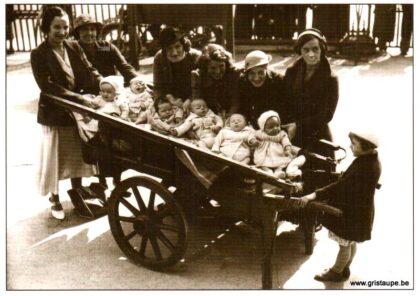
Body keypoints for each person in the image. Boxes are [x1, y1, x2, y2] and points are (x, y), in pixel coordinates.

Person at [31, 6, 102, 220]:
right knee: (56, 157)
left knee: (76, 155)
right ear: (47, 28)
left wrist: (103, 83)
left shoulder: (73, 46)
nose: (62, 32)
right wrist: (79, 99)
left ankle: (77, 192)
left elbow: (89, 69)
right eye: (57, 28)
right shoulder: (39, 54)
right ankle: (55, 197)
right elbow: (48, 86)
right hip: (55, 112)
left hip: (76, 110)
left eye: (65, 27)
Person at [299, 130, 381, 282]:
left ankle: (336, 271)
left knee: (344, 244)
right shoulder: (370, 160)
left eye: (354, 144)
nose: (350, 146)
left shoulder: (364, 166)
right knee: (351, 241)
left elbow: (341, 186)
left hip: (352, 211)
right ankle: (345, 267)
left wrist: (315, 194)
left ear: (366, 146)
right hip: (361, 210)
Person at [283, 28, 339, 158]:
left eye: (315, 49)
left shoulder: (331, 79)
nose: (311, 54)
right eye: (306, 50)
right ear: (299, 51)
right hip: (292, 133)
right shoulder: (291, 72)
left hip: (317, 134)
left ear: (322, 50)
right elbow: (284, 101)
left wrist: (299, 125)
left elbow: (327, 114)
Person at [73, 14, 138, 86]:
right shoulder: (73, 49)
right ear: (77, 32)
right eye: (84, 29)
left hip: (110, 89)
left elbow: (124, 66)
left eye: (92, 29)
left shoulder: (106, 47)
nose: (89, 33)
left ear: (97, 32)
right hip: (84, 91)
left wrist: (136, 79)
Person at [153, 27, 201, 110]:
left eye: (178, 46)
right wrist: (169, 99)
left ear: (184, 45)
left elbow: (202, 87)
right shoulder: (159, 58)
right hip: (170, 98)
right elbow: (158, 87)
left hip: (193, 97)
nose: (174, 53)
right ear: (164, 49)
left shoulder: (196, 57)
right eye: (169, 48)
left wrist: (190, 100)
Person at [238, 50, 285, 129]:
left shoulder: (278, 80)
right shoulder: (243, 82)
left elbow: (284, 108)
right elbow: (242, 108)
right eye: (252, 73)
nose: (256, 78)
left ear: (266, 69)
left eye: (260, 72)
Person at [191, 44, 240, 120]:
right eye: (212, 68)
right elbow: (197, 103)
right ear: (205, 68)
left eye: (221, 66)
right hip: (208, 116)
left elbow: (235, 101)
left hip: (230, 116)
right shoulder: (199, 76)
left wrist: (229, 116)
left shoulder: (232, 74)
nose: (218, 71)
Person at [74, 75, 129, 142]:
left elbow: (125, 110)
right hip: (101, 119)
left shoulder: (119, 100)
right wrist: (90, 102)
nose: (105, 94)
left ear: (117, 93)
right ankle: (100, 137)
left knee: (114, 129)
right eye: (103, 91)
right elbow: (91, 104)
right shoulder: (100, 99)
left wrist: (123, 116)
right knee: (99, 125)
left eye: (109, 92)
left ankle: (112, 139)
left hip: (115, 120)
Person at [253, 111, 305, 179]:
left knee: (280, 164)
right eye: (271, 127)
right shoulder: (259, 133)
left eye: (277, 125)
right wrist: (253, 141)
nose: (275, 128)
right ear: (263, 128)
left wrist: (287, 149)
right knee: (262, 163)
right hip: (263, 153)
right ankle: (268, 172)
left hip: (277, 153)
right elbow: (251, 136)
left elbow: (286, 142)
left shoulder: (281, 134)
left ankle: (278, 172)